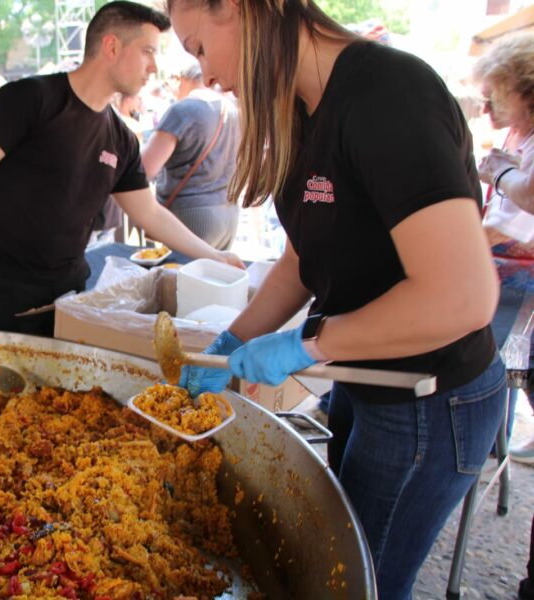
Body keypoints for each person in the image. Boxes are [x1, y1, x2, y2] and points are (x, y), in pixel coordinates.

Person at [166, 1, 505, 598]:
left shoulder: (389, 93)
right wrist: (236, 339)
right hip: (362, 379)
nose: (207, 74)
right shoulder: (303, 109)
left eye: (197, 47)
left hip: (427, 398)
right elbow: (303, 258)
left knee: (359, 584)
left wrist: (308, 344)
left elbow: (463, 296)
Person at [0, 0, 243, 337]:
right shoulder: (31, 98)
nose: (154, 67)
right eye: (147, 51)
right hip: (3, 293)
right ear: (112, 46)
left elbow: (150, 214)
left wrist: (213, 255)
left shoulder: (120, 138)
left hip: (70, 295)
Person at [472, 32, 534, 465]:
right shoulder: (520, 136)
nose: (487, 105)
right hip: (513, 278)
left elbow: (516, 213)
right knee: (507, 367)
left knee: (491, 368)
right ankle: (497, 439)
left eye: (496, 93)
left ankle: (483, 443)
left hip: (517, 281)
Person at [141, 60, 240, 250]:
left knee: (180, 278)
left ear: (180, 79)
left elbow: (145, 168)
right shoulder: (232, 110)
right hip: (228, 212)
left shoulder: (183, 110)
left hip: (189, 217)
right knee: (212, 277)